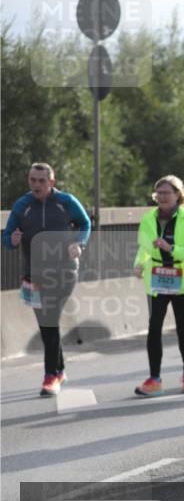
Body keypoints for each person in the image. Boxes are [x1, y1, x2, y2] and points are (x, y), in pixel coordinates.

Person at [3, 162, 92, 396]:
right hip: (34, 274)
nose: (37, 185)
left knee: (50, 318)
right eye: (33, 180)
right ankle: (59, 369)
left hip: (64, 271)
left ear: (52, 182)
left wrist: (79, 243)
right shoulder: (22, 206)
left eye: (42, 181)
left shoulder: (66, 202)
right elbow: (6, 236)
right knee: (46, 326)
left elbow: (85, 223)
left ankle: (50, 376)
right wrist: (11, 240)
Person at [133, 175, 184, 395]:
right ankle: (154, 379)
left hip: (182, 280)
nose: (162, 197)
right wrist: (139, 263)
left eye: (167, 193)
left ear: (178, 195)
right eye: (159, 193)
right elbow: (144, 246)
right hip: (157, 280)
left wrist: (170, 248)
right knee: (154, 328)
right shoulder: (148, 219)